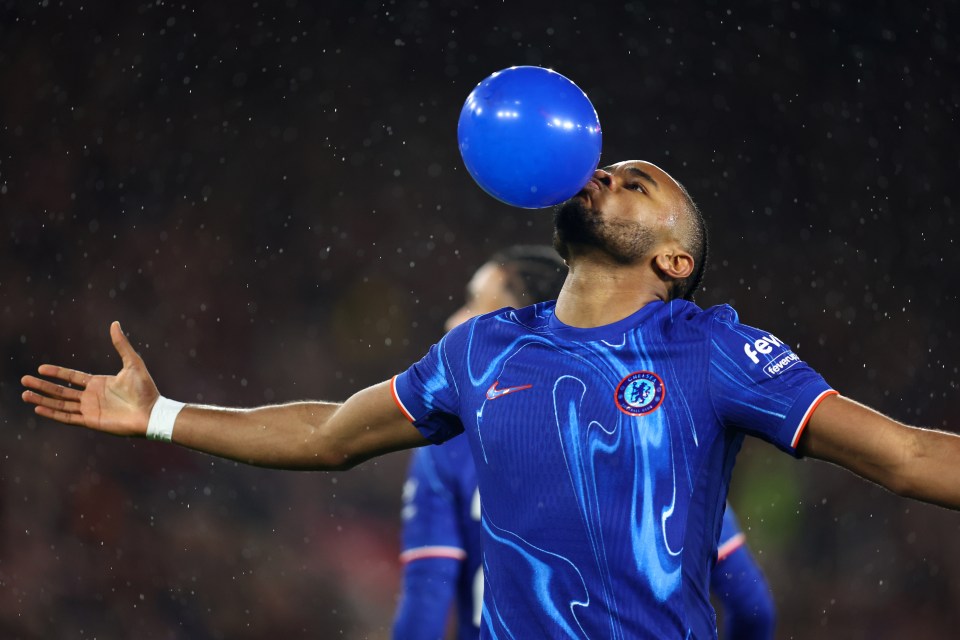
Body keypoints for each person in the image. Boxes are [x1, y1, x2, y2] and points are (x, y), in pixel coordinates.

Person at [21, 160, 960, 639]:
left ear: (674, 261)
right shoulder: (480, 349)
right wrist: (157, 414)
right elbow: (331, 434)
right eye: (605, 169)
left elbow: (909, 457)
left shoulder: (712, 348)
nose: (605, 175)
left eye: (637, 184)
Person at [391, 245, 775, 640]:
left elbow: (425, 605)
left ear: (514, 325)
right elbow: (752, 606)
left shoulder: (448, 447)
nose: (454, 320)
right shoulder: (656, 435)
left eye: (473, 304)